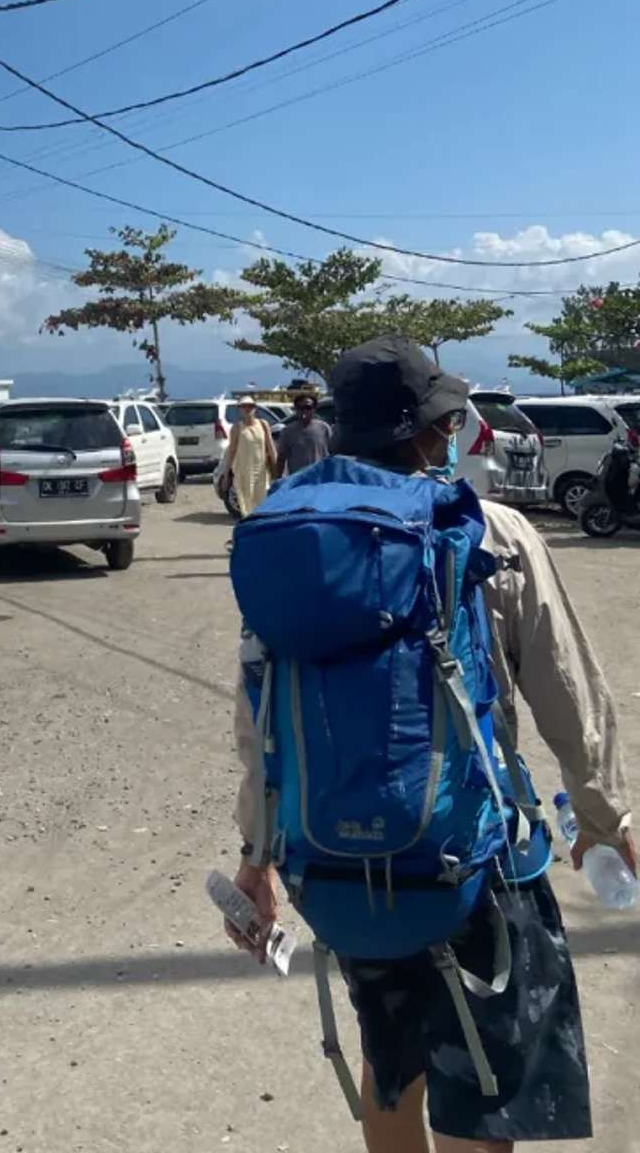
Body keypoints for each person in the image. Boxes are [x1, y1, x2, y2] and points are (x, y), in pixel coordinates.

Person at [228, 336, 633, 1152]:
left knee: (390, 1063)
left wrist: (257, 853)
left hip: (338, 867)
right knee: (484, 1082)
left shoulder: (294, 538)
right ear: (431, 429)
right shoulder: (487, 531)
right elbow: (566, 688)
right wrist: (605, 814)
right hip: (474, 858)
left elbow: (259, 714)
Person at [224, 396, 275, 517]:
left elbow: (271, 447)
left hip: (261, 472)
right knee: (246, 505)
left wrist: (276, 467)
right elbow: (231, 451)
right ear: (239, 409)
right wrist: (226, 474)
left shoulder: (263, 424)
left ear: (255, 408)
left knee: (262, 504)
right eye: (243, 406)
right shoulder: (237, 428)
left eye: (250, 406)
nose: (247, 409)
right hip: (243, 473)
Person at [272, 389, 332, 475]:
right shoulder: (287, 431)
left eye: (308, 408)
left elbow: (332, 454)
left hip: (320, 479)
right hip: (298, 480)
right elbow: (281, 458)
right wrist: (278, 480)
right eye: (300, 408)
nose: (304, 411)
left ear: (314, 409)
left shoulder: (324, 428)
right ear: (296, 410)